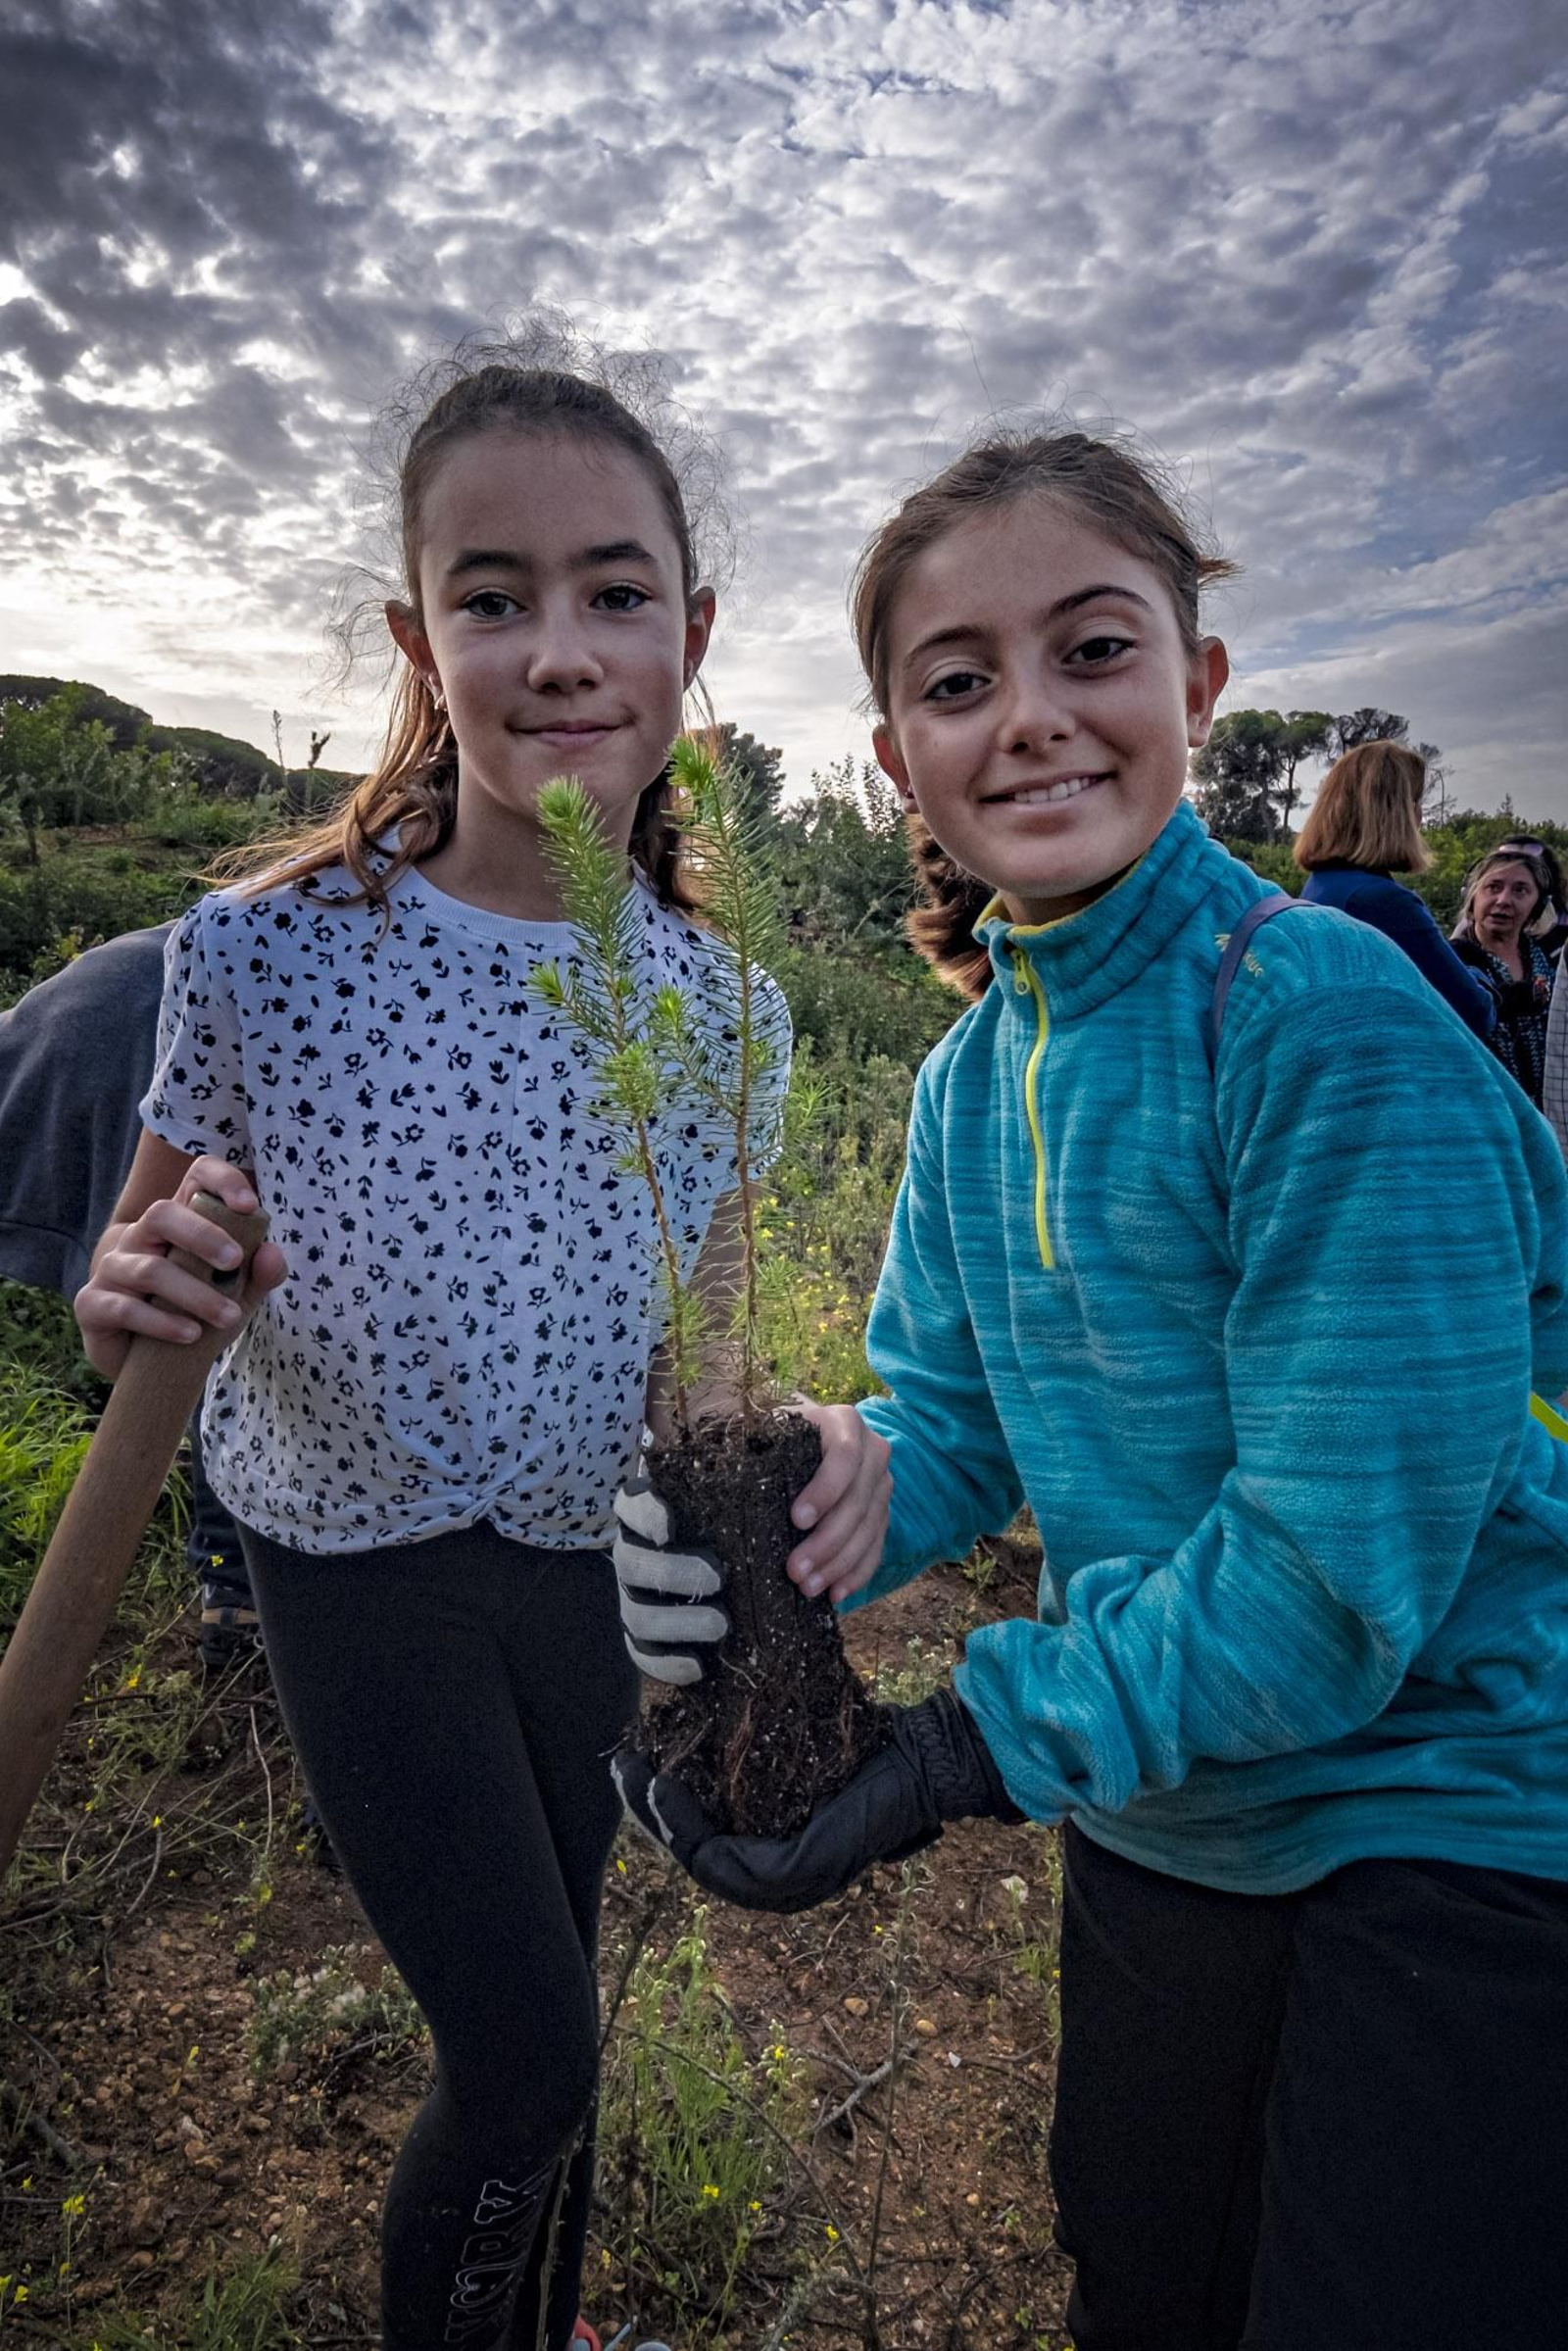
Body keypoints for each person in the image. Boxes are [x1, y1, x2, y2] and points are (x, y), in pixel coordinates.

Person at [613, 427, 1568, 2351]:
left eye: (1093, 648)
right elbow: (954, 1420)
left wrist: (957, 1744)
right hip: (1168, 1809)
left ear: (1196, 687)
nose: (1032, 715)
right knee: (1141, 2274)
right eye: (959, 678)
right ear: (897, 755)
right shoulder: (977, 1079)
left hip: (1450, 1809)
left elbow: (1323, 1587)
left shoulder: (1319, 1019)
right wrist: (790, 1510)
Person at [71, 336, 849, 2351]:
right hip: (356, 1563)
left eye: (614, 590)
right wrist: (132, 1287)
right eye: (493, 597)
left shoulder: (724, 1012)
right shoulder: (266, 953)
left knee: (560, 1987)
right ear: (422, 641)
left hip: (583, 1566)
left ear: (692, 633)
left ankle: (548, 2321)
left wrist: (799, 1446)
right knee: (522, 2050)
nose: (559, 648)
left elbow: (702, 1354)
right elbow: (126, 1264)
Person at [0, 925, 258, 1667]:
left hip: (119, 1065)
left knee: (192, 1305)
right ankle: (232, 1590)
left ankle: (230, 1580)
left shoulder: (212, 949)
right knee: (199, 1316)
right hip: (120, 1076)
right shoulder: (234, 951)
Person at [1293, 741, 1497, 1037]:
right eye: (1416, 802)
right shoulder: (1382, 903)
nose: (1420, 816)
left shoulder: (1322, 884)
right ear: (1399, 813)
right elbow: (1474, 1012)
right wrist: (1481, 973)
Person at [1450, 846, 1556, 1102]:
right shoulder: (1450, 962)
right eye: (1493, 887)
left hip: (1544, 1108)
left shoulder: (1544, 960)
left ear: (1538, 905)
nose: (1503, 900)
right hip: (1480, 1105)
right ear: (1472, 897)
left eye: (1520, 890)